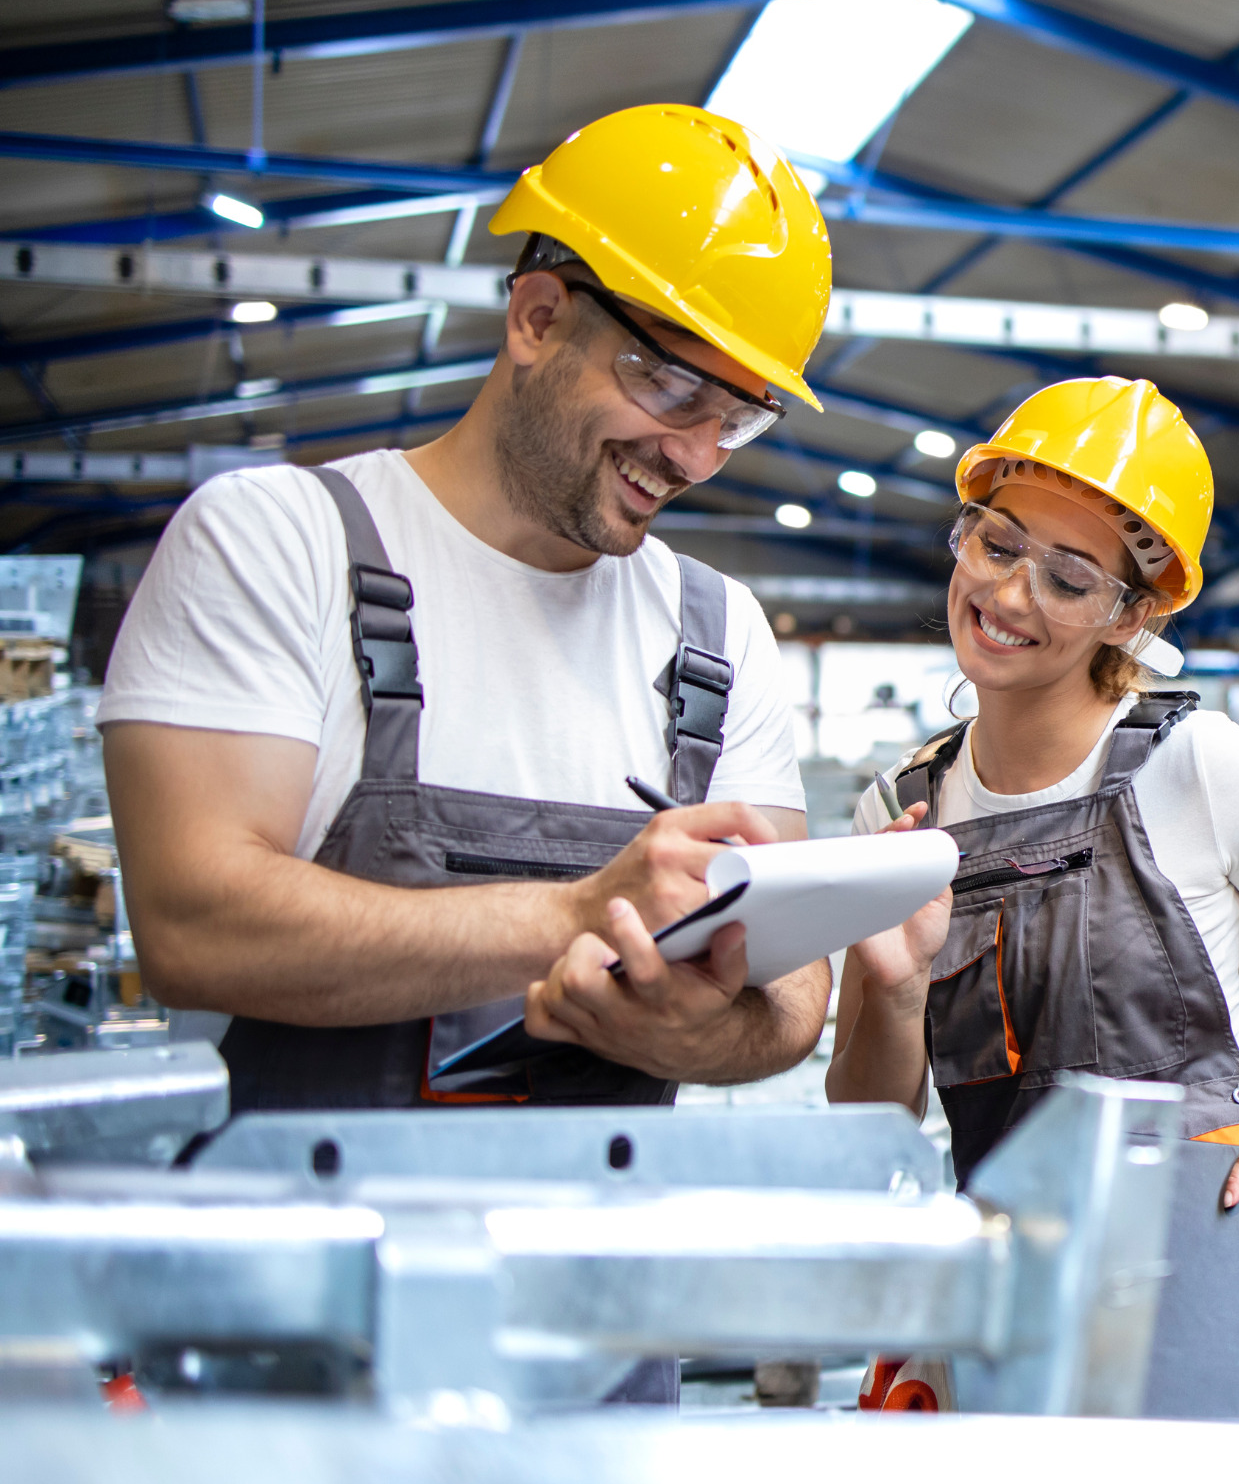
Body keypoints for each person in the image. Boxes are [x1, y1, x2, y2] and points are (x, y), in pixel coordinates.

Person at [103, 104, 835, 1116]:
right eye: (669, 385)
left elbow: (794, 992)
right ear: (537, 316)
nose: (696, 456)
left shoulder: (714, 630)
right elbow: (194, 925)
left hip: (599, 1258)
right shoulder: (280, 539)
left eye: (738, 419)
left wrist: (700, 1030)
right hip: (303, 1252)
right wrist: (572, 914)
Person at [826, 377, 1239, 1239]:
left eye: (1068, 579)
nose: (1008, 597)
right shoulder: (902, 812)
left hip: (1221, 1260)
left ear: (1129, 615)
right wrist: (896, 989)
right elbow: (869, 1129)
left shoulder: (1200, 768)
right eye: (997, 546)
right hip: (1019, 1289)